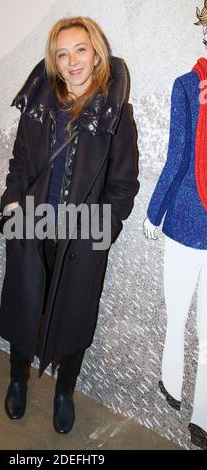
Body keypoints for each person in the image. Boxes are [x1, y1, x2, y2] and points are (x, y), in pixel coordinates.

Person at [0, 16, 139, 434]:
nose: (72, 60)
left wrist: (103, 231)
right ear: (54, 62)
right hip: (31, 227)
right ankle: (17, 381)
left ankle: (64, 393)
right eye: (62, 53)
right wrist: (11, 205)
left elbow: (123, 185)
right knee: (25, 307)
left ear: (97, 53)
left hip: (82, 235)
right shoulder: (39, 109)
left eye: (80, 49)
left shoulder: (116, 116)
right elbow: (20, 163)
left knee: (73, 317)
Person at [143, 3, 207, 450]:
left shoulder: (187, 85)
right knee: (194, 320)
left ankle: (173, 388)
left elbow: (179, 155)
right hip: (187, 217)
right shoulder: (186, 87)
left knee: (178, 313)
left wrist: (153, 212)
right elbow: (181, 153)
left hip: (185, 215)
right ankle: (200, 416)